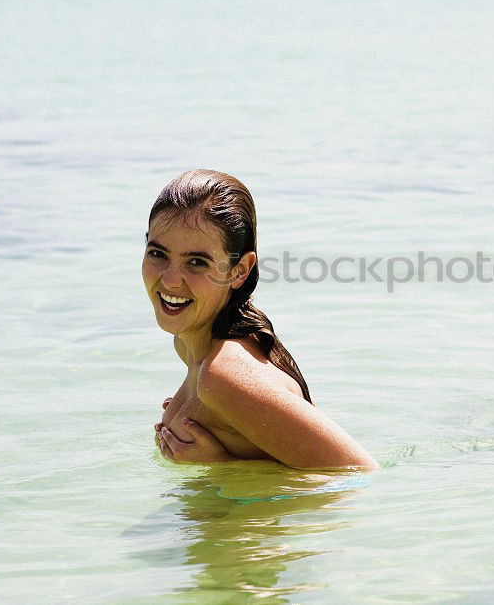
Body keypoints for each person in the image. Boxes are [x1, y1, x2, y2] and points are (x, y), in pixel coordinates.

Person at [145, 169, 378, 471]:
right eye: (157, 253)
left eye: (197, 262)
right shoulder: (190, 346)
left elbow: (357, 473)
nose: (171, 280)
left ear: (239, 270)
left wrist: (223, 466)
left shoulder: (223, 376)